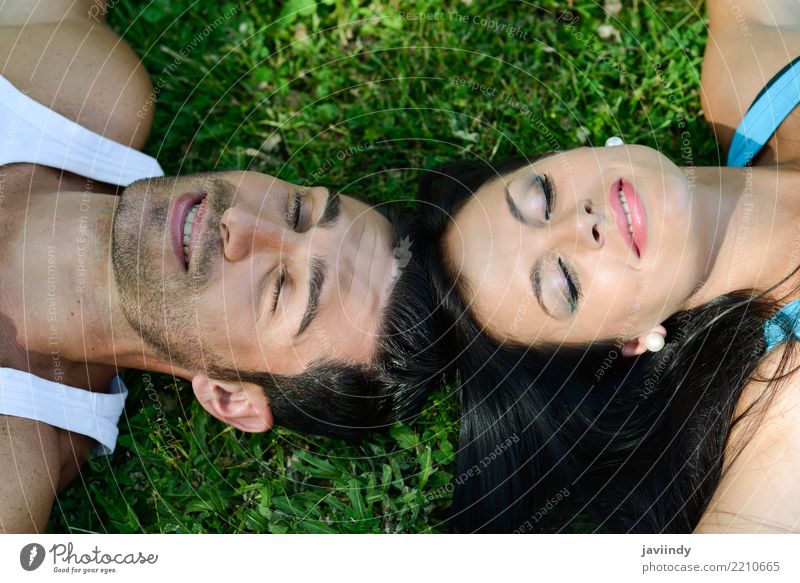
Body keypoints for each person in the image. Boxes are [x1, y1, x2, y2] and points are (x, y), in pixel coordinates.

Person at [0, 1, 442, 532]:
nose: (240, 223)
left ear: (229, 396)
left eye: (280, 289)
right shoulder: (82, 91)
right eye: (298, 212)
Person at [419, 0, 800, 533]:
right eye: (565, 283)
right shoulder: (784, 406)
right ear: (628, 345)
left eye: (543, 196)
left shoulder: (752, 73)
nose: (582, 224)